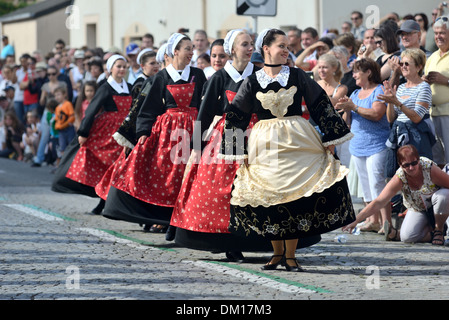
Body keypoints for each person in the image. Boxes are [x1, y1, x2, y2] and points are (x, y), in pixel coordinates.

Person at [219, 29, 355, 272]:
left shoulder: (297, 75)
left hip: (297, 140)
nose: (285, 50)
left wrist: (331, 135)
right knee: (271, 196)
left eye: (286, 46)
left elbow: (319, 102)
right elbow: (236, 114)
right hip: (265, 144)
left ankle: (290, 256)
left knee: (294, 196)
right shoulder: (251, 81)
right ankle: (277, 253)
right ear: (266, 49)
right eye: (280, 46)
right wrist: (236, 149)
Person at [101, 33, 207, 234]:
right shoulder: (162, 77)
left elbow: (204, 104)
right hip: (170, 133)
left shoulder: (198, 75)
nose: (191, 52)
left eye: (192, 48)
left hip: (194, 128)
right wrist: (142, 132)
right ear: (175, 51)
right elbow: (148, 108)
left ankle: (184, 220)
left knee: (190, 174)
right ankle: (166, 219)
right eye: (187, 48)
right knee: (170, 176)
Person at [52, 55, 133, 216]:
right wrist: (84, 131)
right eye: (118, 66)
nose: (122, 69)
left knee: (120, 167)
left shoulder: (130, 87)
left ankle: (109, 203)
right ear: (110, 69)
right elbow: (92, 109)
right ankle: (103, 201)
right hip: (107, 133)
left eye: (124, 67)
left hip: (124, 131)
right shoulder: (105, 87)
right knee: (105, 166)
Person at [344, 145, 449, 245]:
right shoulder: (400, 177)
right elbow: (379, 201)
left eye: (414, 163)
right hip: (418, 208)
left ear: (418, 160)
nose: (411, 167)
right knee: (407, 237)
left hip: (439, 204)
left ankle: (439, 230)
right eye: (406, 165)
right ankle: (429, 233)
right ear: (400, 165)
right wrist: (355, 220)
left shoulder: (428, 167)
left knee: (443, 195)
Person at [335, 58, 391, 234]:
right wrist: (346, 109)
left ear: (368, 72)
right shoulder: (355, 94)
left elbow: (376, 114)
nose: (353, 75)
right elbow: (348, 123)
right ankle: (372, 220)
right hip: (358, 145)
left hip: (377, 144)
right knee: (366, 186)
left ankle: (386, 223)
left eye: (356, 71)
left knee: (377, 184)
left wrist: (354, 107)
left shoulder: (379, 90)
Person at [379, 48, 435, 177]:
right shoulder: (401, 87)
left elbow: (416, 117)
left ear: (419, 67)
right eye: (401, 64)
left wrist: (397, 102)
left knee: (419, 174)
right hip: (400, 135)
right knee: (401, 175)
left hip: (417, 136)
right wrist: (390, 101)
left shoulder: (424, 87)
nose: (403, 67)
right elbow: (390, 118)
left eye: (407, 64)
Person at [423, 16, 449, 168]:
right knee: (437, 158)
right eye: (436, 33)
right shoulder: (432, 57)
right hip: (432, 114)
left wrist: (445, 80)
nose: (439, 36)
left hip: (447, 113)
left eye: (443, 33)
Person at [53, 86, 75, 160]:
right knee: (62, 147)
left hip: (68, 128)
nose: (57, 97)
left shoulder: (68, 104)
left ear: (64, 94)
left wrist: (65, 124)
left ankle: (70, 163)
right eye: (55, 95)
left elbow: (72, 116)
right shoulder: (57, 108)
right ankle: (63, 163)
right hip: (61, 131)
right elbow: (57, 119)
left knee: (70, 146)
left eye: (59, 94)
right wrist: (57, 125)